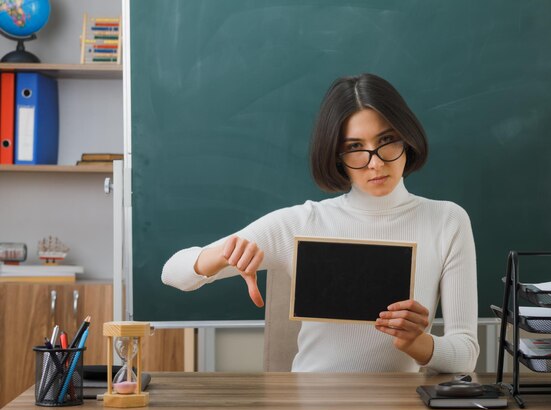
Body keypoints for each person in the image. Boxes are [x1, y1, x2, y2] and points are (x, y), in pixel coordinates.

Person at [162, 73, 479, 373]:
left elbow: (465, 354)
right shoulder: (302, 223)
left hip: (399, 404)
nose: (376, 162)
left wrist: (417, 343)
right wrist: (222, 255)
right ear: (336, 156)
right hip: (312, 401)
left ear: (407, 139)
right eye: (356, 148)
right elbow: (173, 273)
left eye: (387, 140)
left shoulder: (447, 221)